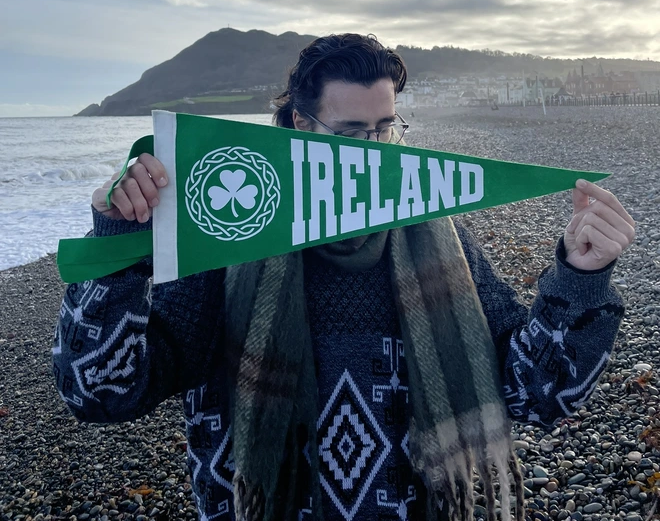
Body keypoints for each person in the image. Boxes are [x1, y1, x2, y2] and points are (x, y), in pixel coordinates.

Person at [52, 33, 634, 521]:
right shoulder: (227, 241)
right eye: (353, 133)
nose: (375, 151)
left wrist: (579, 274)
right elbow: (100, 392)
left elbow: (539, 392)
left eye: (386, 129)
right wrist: (116, 246)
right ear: (301, 125)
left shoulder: (441, 237)